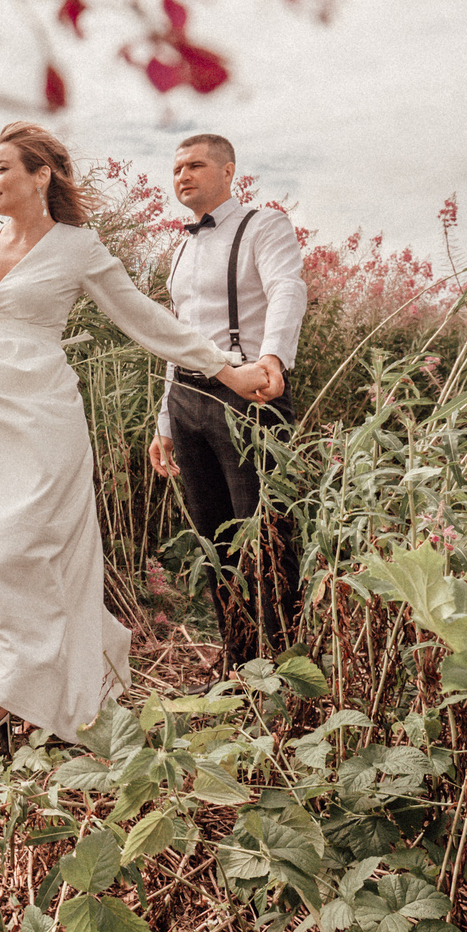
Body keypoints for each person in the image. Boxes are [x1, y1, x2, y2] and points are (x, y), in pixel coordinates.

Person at [0, 122, 277, 759]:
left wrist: (223, 367)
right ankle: (25, 706)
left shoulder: (77, 247)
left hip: (39, 422)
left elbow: (143, 316)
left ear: (40, 175)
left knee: (18, 554)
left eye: (2, 168)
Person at [143, 133, 308, 665]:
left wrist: (273, 358)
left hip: (248, 394)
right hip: (186, 396)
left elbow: (287, 288)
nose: (183, 176)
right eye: (177, 169)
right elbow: (178, 336)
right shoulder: (182, 248)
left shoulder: (264, 225)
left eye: (195, 165)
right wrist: (164, 420)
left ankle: (280, 666)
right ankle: (237, 663)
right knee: (215, 538)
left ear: (228, 170)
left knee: (266, 534)